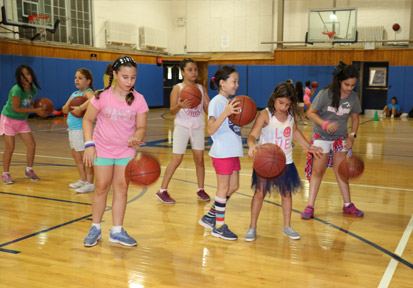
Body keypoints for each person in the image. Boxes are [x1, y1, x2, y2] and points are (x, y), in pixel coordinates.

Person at [82, 55, 148, 247]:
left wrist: (137, 137)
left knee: (122, 188)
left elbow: (141, 127)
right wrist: (89, 144)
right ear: (115, 75)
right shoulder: (101, 97)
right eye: (125, 77)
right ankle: (95, 227)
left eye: (133, 77)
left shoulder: (138, 100)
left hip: (125, 152)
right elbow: (87, 120)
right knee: (101, 187)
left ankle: (117, 231)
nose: (129, 81)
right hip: (102, 149)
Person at [244, 83, 322, 242]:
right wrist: (252, 145)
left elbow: (295, 132)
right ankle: (252, 227)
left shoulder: (290, 117)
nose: (283, 107)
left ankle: (287, 226)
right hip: (266, 162)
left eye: (287, 104)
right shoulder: (265, 115)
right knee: (259, 193)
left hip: (285, 161)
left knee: (286, 194)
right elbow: (252, 135)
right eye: (281, 103)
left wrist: (308, 146)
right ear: (274, 98)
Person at [301, 61, 364, 220]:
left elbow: (355, 118)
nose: (350, 88)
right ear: (339, 81)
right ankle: (310, 206)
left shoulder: (353, 97)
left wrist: (352, 136)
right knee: (318, 171)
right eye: (347, 84)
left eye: (353, 85)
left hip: (340, 138)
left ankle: (347, 205)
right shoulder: (325, 94)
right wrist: (324, 124)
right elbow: (310, 113)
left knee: (342, 171)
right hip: (321, 137)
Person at [156, 59, 211, 204]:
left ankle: (201, 189)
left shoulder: (201, 88)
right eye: (190, 70)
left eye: (195, 70)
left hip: (198, 127)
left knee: (199, 159)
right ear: (182, 72)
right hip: (182, 126)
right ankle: (162, 190)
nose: (194, 72)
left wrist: (207, 101)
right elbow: (172, 111)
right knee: (177, 159)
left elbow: (207, 110)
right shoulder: (178, 88)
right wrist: (180, 105)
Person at [198, 66, 242, 241]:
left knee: (234, 186)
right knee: (223, 188)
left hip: (233, 150)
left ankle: (210, 216)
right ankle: (219, 227)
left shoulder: (230, 102)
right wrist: (226, 113)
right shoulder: (217, 102)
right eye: (234, 81)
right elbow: (211, 129)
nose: (237, 85)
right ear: (222, 83)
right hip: (223, 151)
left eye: (237, 81)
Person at [1, 65, 48, 184]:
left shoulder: (33, 90)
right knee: (10, 148)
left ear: (32, 75)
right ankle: (5, 174)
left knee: (31, 145)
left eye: (27, 74)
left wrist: (40, 109)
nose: (25, 77)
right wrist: (35, 111)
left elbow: (29, 104)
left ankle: (29, 170)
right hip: (9, 120)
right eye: (22, 75)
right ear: (18, 78)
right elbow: (16, 108)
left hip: (21, 121)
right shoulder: (17, 89)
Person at [62, 68, 95, 193]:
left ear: (88, 81)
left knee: (85, 157)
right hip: (72, 130)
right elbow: (65, 110)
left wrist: (81, 107)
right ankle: (83, 180)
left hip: (82, 130)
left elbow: (94, 99)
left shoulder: (88, 92)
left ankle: (90, 183)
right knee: (77, 157)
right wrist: (70, 104)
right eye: (76, 78)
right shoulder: (74, 94)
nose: (77, 80)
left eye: (80, 78)